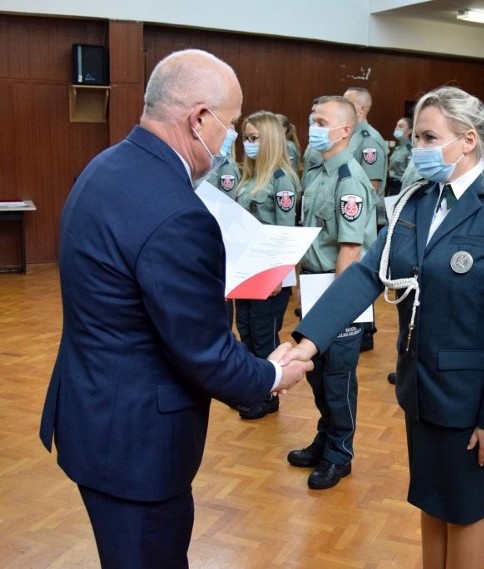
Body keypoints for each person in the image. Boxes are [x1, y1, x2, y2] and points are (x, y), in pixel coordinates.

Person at [38, 49, 311, 568]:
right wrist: (269, 375)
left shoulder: (104, 167)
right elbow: (203, 351)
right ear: (199, 118)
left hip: (96, 417)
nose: (232, 140)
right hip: (138, 446)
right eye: (230, 125)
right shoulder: (179, 212)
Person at [282, 85, 484, 569]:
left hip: (472, 401)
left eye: (428, 138)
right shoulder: (419, 202)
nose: (417, 150)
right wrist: (307, 341)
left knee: (464, 513)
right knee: (431, 502)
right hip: (421, 389)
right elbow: (365, 274)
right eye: (416, 138)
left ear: (467, 140)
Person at [286, 95, 377, 490]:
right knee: (317, 376)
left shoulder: (348, 180)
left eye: (321, 120)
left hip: (338, 288)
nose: (312, 126)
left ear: (344, 130)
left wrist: (333, 310)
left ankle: (340, 453)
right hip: (314, 284)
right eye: (311, 118)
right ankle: (325, 439)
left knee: (337, 379)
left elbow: (351, 251)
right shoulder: (318, 172)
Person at [233, 110, 302, 419]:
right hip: (247, 270)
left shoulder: (281, 178)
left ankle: (268, 395)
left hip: (270, 275)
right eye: (246, 138)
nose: (249, 144)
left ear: (271, 140)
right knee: (245, 330)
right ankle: (252, 389)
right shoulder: (249, 176)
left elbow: (285, 233)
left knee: (264, 336)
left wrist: (277, 276)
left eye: (255, 138)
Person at [343, 86, 388, 351]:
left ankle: (366, 331)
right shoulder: (349, 136)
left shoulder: (368, 139)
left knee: (361, 270)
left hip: (362, 220)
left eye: (346, 103)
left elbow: (372, 186)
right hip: (352, 219)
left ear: (360, 109)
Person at [387, 116, 413, 197]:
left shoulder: (410, 149)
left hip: (401, 186)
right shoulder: (398, 147)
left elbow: (410, 173)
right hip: (391, 185)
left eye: (401, 126)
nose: (397, 128)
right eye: (396, 126)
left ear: (409, 130)